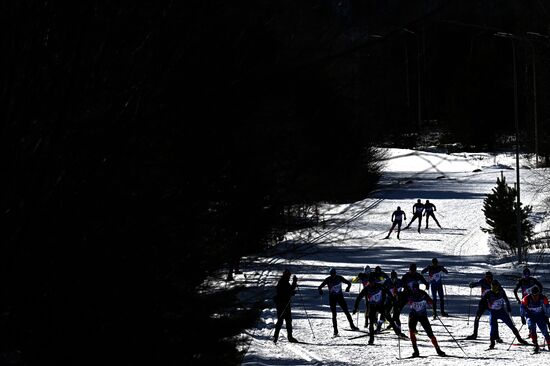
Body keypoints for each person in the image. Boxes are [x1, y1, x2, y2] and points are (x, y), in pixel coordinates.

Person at [353, 273, 407, 345]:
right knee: (371, 323)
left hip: (380, 305)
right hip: (372, 306)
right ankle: (371, 339)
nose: (372, 284)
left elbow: (388, 292)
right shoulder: (367, 288)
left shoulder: (380, 286)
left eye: (373, 282)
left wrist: (393, 300)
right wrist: (355, 308)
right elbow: (358, 298)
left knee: (389, 318)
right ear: (369, 282)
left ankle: (398, 333)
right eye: (371, 282)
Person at [482, 280, 528, 349]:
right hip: (493, 312)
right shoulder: (488, 293)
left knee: (511, 325)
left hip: (501, 311)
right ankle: (492, 343)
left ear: (498, 286)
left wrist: (508, 307)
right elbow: (483, 302)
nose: (494, 288)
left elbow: (506, 299)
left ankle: (519, 339)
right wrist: (489, 308)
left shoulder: (501, 291)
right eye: (492, 287)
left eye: (495, 286)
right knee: (493, 327)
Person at [406, 282, 446, 357]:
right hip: (413, 315)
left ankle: (438, 350)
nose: (415, 290)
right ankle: (416, 351)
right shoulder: (410, 294)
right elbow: (407, 301)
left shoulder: (423, 293)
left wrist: (429, 302)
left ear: (418, 288)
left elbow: (431, 301)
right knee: (411, 332)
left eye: (416, 288)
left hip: (422, 316)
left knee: (430, 333)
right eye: (414, 288)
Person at [318, 268, 359, 336]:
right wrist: (320, 291)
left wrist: (348, 288)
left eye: (334, 273)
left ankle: (352, 326)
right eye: (332, 274)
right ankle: (335, 331)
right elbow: (319, 287)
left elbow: (349, 283)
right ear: (330, 274)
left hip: (340, 297)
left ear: (335, 273)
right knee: (334, 315)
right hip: (332, 299)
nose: (333, 275)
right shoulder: (328, 279)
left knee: (346, 311)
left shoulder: (339, 278)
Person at [466, 271, 501, 341]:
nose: (488, 279)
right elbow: (476, 284)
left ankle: (496, 336)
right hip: (483, 302)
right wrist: (472, 285)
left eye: (490, 277)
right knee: (477, 318)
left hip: (491, 303)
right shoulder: (483, 281)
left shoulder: (494, 283)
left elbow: (500, 290)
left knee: (494, 319)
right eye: (487, 277)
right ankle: (474, 334)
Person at [520, 285, 550, 353]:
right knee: (532, 328)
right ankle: (535, 345)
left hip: (540, 316)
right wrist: (522, 317)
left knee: (544, 330)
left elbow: (547, 308)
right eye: (534, 295)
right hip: (530, 316)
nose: (535, 297)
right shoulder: (526, 299)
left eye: (537, 295)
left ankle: (549, 344)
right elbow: (522, 307)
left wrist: (547, 317)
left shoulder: (543, 298)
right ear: (531, 294)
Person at [273, 269, 299, 343]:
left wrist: (294, 282)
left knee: (288, 320)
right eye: (288, 275)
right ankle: (275, 336)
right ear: (285, 275)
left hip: (286, 303)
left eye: (289, 275)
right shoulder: (281, 282)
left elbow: (290, 289)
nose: (289, 276)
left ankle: (289, 337)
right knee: (281, 320)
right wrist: (291, 292)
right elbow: (283, 292)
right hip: (281, 304)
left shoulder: (286, 281)